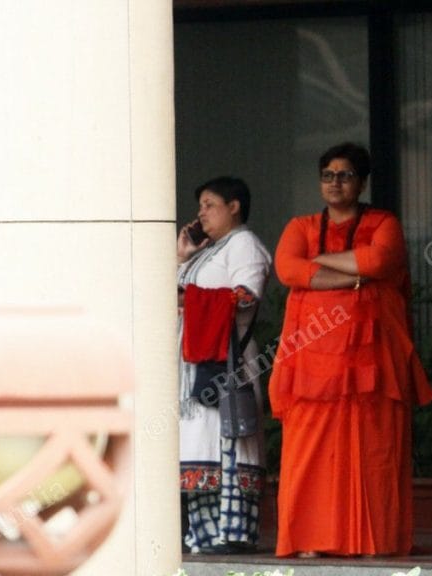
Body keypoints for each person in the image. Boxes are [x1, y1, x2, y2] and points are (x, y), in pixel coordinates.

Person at [268, 142, 432, 558]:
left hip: (371, 367)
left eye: (344, 175)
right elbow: (288, 268)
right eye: (328, 175)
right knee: (311, 454)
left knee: (372, 451)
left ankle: (372, 541)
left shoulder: (384, 222)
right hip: (312, 366)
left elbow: (380, 262)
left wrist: (321, 262)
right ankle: (309, 540)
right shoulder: (301, 225)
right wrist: (351, 273)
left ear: (361, 182)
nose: (335, 183)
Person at [176, 176, 272, 554]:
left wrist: (188, 297)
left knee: (226, 442)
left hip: (226, 365)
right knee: (199, 446)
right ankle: (202, 535)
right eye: (199, 206)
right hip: (195, 368)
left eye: (209, 204)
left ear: (234, 207)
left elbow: (246, 298)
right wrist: (182, 257)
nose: (201, 213)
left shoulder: (244, 244)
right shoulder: (205, 252)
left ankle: (231, 536)